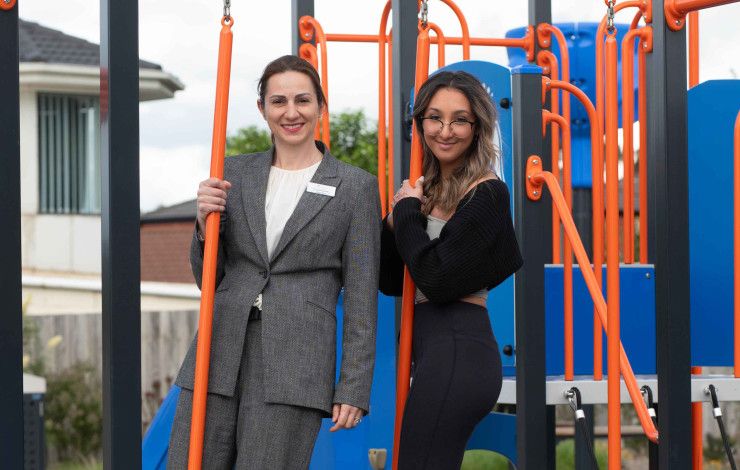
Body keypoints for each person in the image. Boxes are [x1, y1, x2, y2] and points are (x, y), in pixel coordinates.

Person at [167, 54, 381, 469]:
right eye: (278, 101)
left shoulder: (355, 188)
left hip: (295, 363)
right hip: (219, 349)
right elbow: (208, 276)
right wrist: (201, 224)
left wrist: (353, 386)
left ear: (321, 106)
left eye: (302, 100)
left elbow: (361, 297)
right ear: (262, 109)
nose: (291, 112)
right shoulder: (232, 174)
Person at [380, 70, 523, 469]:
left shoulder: (487, 192)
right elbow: (392, 281)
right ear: (420, 122)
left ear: (477, 127)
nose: (445, 130)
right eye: (434, 117)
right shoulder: (424, 192)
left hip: (460, 348)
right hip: (433, 351)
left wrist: (406, 214)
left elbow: (438, 280)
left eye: (460, 119)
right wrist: (394, 225)